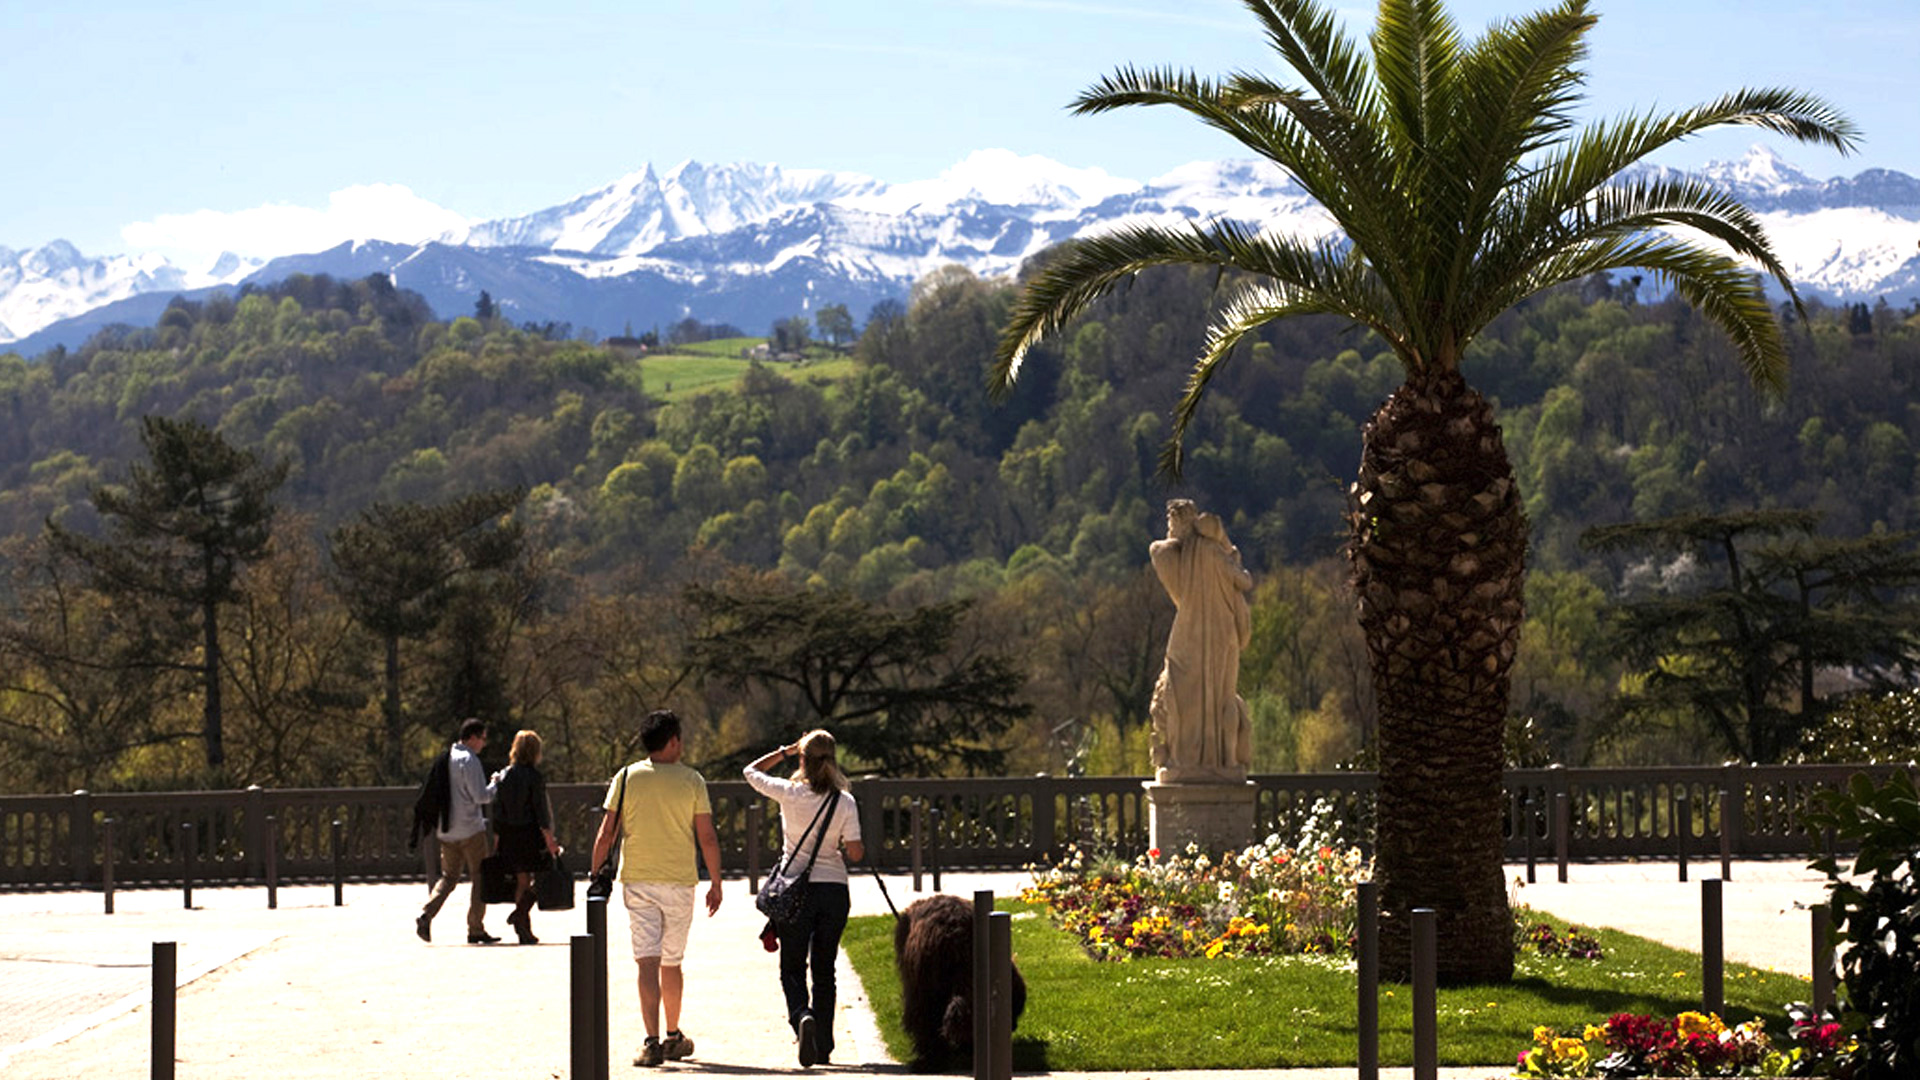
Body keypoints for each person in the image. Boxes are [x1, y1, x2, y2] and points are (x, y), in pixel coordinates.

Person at [590, 709, 725, 1068]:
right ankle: (673, 1034)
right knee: (672, 962)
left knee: (646, 961)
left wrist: (595, 871)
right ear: (674, 741)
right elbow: (707, 837)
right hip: (679, 881)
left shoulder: (626, 777)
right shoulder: (693, 780)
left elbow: (606, 833)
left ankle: (650, 1042)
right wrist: (716, 880)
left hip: (638, 878)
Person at [744, 729, 864, 1068]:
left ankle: (801, 1016)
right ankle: (824, 1044)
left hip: (795, 889)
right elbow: (855, 852)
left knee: (793, 967)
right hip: (833, 891)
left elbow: (750, 772)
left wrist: (784, 750)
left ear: (803, 760)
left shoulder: (789, 793)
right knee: (825, 969)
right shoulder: (845, 801)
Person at [1148, 499, 1255, 781]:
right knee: (1224, 697)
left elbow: (1160, 550)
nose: (1169, 529)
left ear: (1182, 523)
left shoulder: (1175, 554)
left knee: (1180, 692)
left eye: (1172, 523)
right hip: (1224, 634)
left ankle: (1184, 758)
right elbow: (1245, 582)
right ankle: (1228, 762)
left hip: (1189, 634)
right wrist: (1227, 546)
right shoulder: (1216, 553)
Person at [415, 718, 500, 944]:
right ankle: (475, 928)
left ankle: (426, 913)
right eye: (482, 738)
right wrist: (495, 784)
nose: (484, 743)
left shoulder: (446, 758)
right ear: (472, 738)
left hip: (447, 830)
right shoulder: (469, 760)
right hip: (471, 830)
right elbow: (481, 796)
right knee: (480, 878)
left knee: (448, 877)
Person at [490, 729, 561, 945]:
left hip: (509, 835)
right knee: (543, 876)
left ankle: (523, 927)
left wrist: (496, 840)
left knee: (522, 880)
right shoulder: (535, 777)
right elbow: (541, 812)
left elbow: (498, 812)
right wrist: (550, 839)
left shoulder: (503, 776)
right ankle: (520, 915)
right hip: (529, 834)